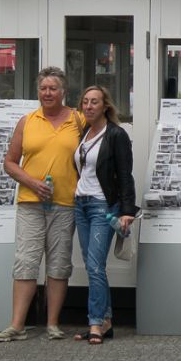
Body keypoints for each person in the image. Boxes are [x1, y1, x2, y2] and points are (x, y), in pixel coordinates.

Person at [0, 69, 79, 341]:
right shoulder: (27, 121)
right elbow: (9, 162)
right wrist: (31, 182)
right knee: (26, 262)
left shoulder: (78, 119)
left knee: (59, 264)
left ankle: (52, 324)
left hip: (65, 202)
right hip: (31, 202)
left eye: (53, 88)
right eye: (43, 88)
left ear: (64, 91)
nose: (48, 93)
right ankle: (17, 325)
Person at [71, 87, 136, 343]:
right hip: (81, 204)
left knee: (96, 265)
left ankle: (95, 322)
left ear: (105, 106)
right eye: (85, 102)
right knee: (91, 265)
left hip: (103, 206)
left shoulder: (116, 135)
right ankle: (105, 320)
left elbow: (125, 174)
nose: (88, 106)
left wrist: (127, 211)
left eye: (94, 102)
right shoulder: (84, 133)